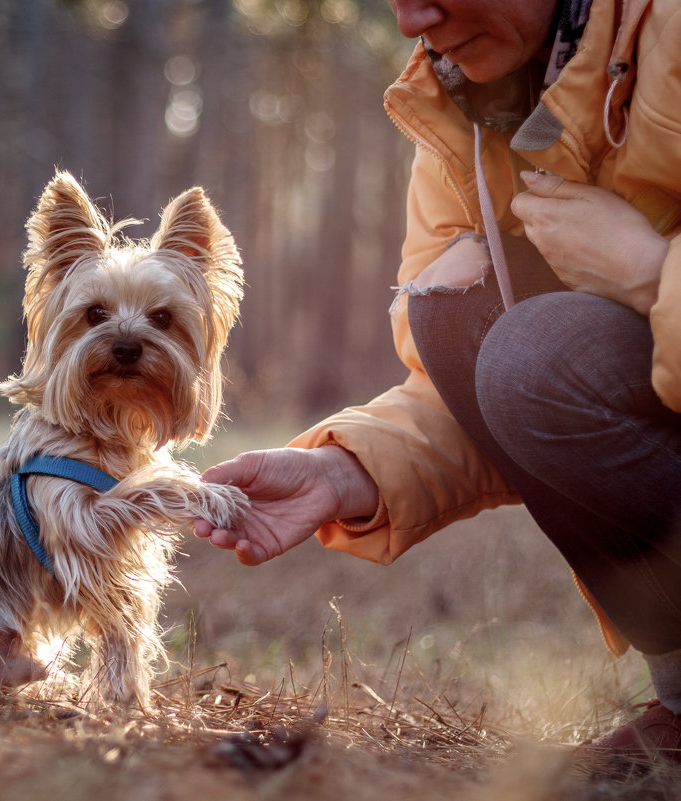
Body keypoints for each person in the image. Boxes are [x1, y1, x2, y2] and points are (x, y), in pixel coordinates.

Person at [195, 0, 681, 764]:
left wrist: (652, 276)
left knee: (535, 345)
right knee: (459, 316)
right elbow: (503, 386)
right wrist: (347, 469)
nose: (411, 20)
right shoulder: (460, 106)